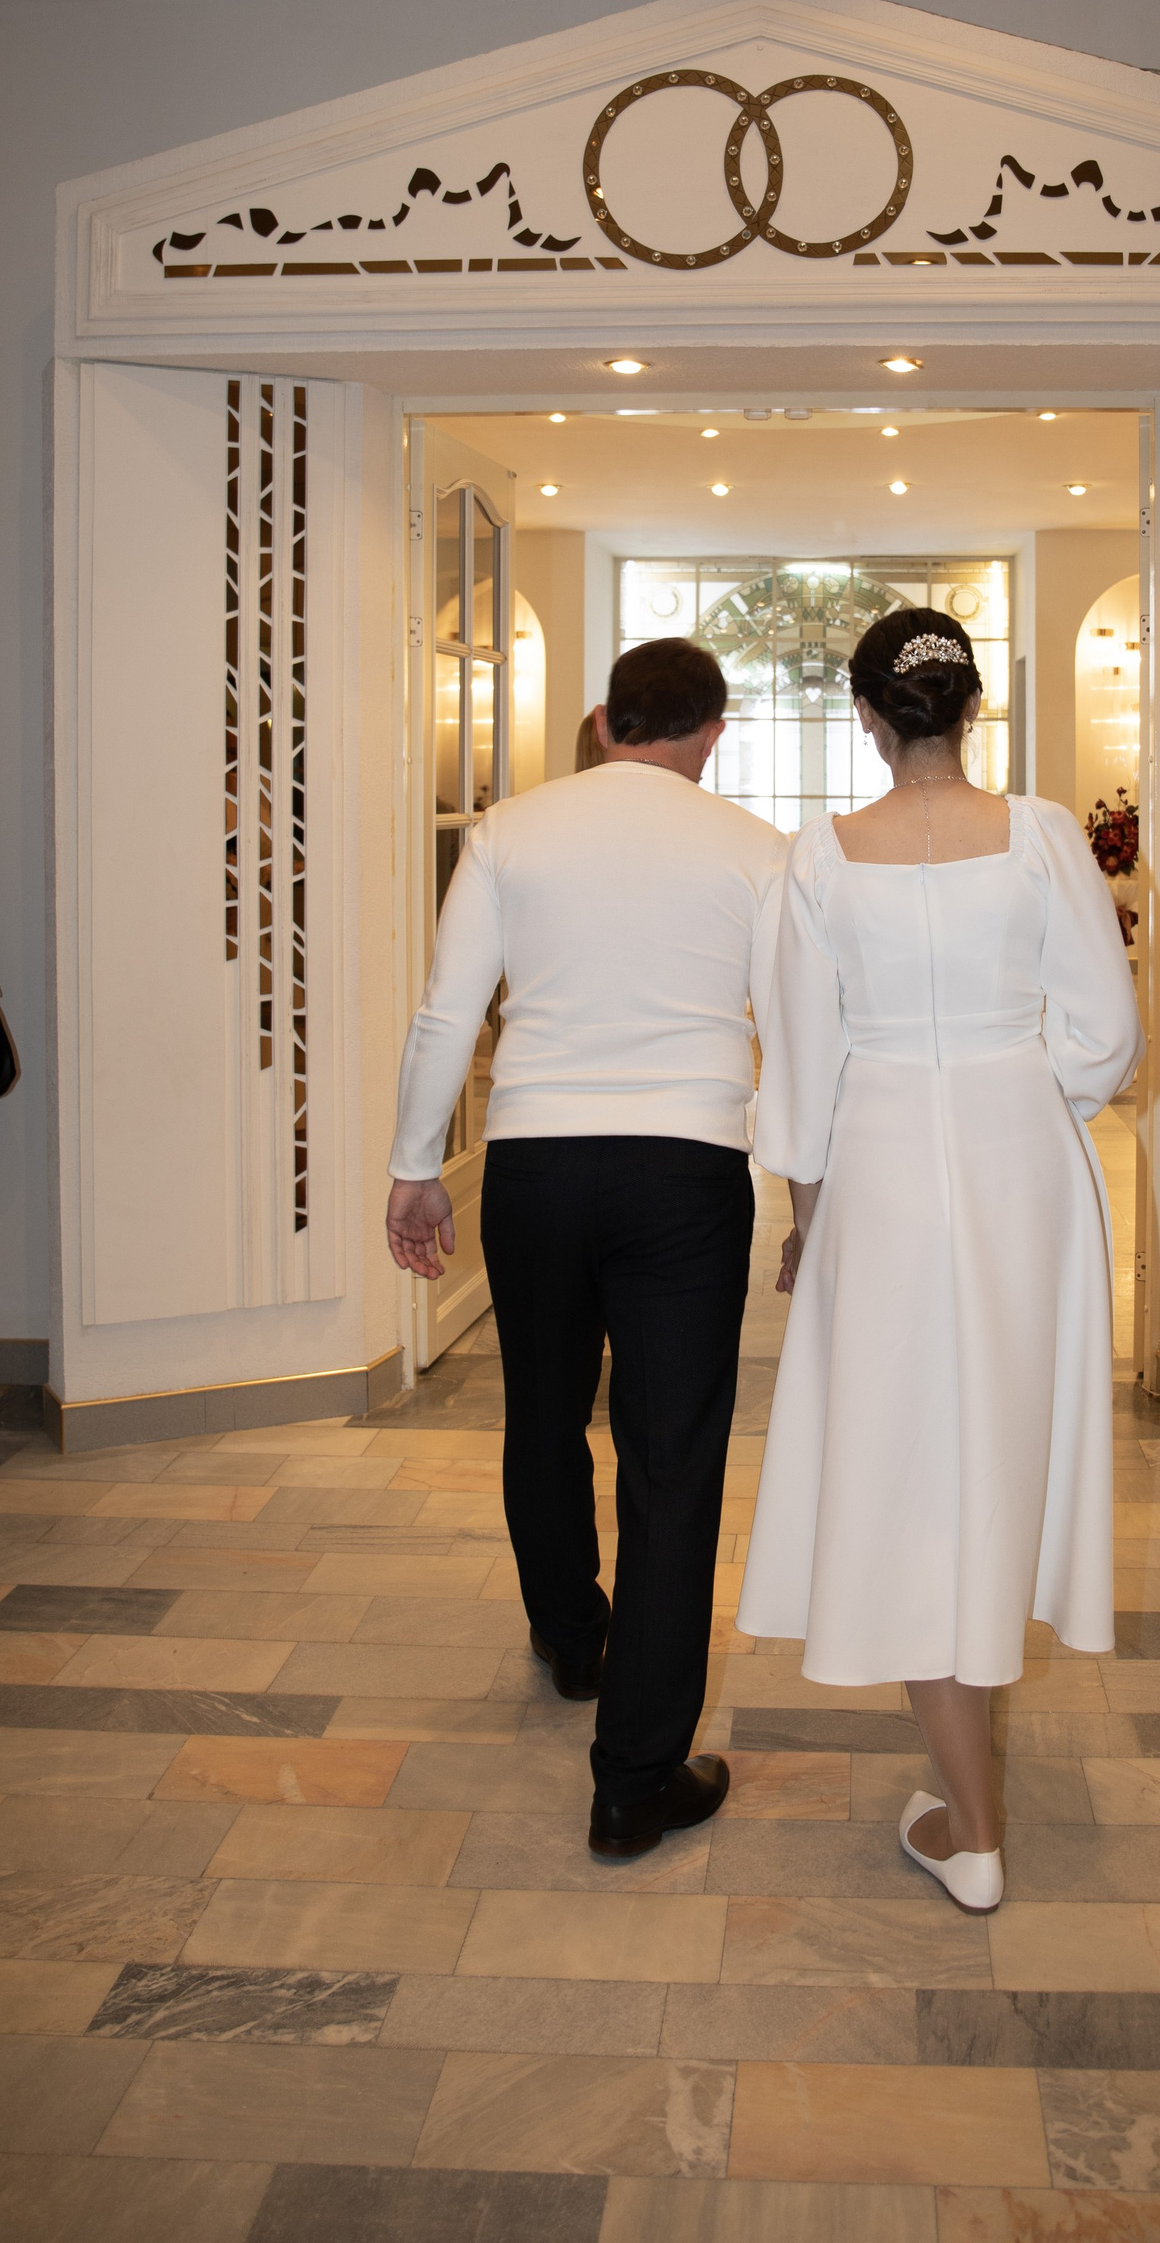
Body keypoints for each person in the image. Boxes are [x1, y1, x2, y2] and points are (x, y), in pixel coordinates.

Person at [738, 607, 1142, 1911]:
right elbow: (1108, 1031)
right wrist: (1018, 1090)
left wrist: (809, 1219)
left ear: (866, 714)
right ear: (972, 708)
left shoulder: (816, 857)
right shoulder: (1043, 834)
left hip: (882, 1169)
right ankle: (968, 1812)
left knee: (908, 1468)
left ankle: (973, 1829)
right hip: (1025, 1165)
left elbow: (800, 1073)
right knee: (998, 1444)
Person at [386, 638, 788, 1858]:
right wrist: (809, 1189)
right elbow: (796, 1034)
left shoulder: (508, 830)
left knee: (545, 1410)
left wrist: (413, 1164)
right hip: (686, 1171)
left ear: (608, 722)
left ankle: (572, 1637)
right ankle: (634, 1779)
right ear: (712, 733)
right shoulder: (757, 848)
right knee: (672, 1463)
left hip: (537, 1165)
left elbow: (449, 1009)